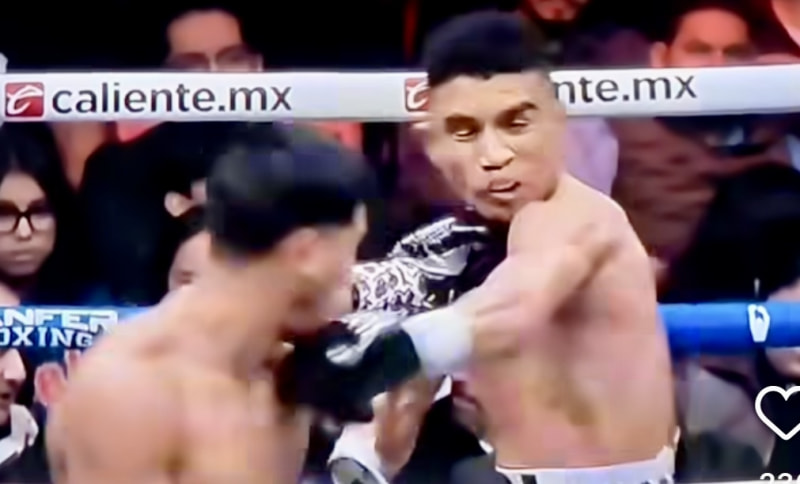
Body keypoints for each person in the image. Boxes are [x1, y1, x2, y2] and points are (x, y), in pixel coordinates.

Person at [280, 11, 675, 484]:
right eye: (465, 131)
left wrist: (400, 350)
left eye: (516, 124)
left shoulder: (580, 219)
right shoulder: (459, 250)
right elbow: (400, 407)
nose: (493, 157)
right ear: (430, 143)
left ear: (558, 120)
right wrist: (359, 452)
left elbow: (516, 303)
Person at [45, 123, 373, 484]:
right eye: (351, 250)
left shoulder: (283, 374)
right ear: (306, 254)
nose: (352, 276)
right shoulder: (131, 389)